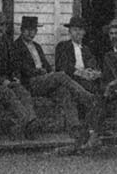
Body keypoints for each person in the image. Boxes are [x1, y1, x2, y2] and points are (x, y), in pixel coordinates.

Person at [13, 16, 98, 146]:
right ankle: (87, 97)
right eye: (27, 30)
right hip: (30, 82)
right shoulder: (16, 46)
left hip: (43, 81)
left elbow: (47, 65)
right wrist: (38, 72)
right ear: (21, 30)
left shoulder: (37, 46)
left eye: (33, 30)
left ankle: (74, 127)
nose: (31, 33)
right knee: (61, 75)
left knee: (64, 91)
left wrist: (46, 72)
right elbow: (19, 67)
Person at [0, 13, 38, 138]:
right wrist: (1, 80)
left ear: (5, 28)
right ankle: (24, 120)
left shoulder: (8, 44)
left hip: (8, 79)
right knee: (8, 93)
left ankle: (31, 121)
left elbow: (14, 64)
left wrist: (15, 76)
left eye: (2, 25)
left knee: (22, 91)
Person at [55, 17, 102, 92]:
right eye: (75, 30)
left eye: (80, 30)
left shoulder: (86, 49)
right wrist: (81, 73)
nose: (78, 32)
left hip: (86, 80)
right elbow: (62, 67)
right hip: (71, 80)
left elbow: (93, 64)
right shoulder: (63, 46)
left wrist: (93, 72)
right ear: (69, 32)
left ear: (84, 32)